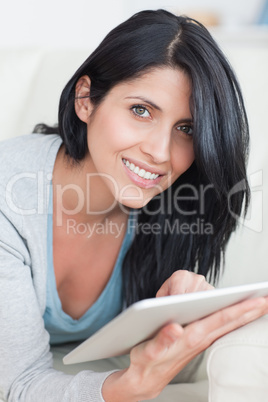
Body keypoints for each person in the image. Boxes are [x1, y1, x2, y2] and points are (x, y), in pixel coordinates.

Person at [0, 9, 267, 402]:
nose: (160, 153)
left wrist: (189, 314)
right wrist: (127, 387)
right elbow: (18, 384)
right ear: (86, 100)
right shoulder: (10, 203)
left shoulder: (173, 204)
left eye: (186, 129)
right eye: (141, 110)